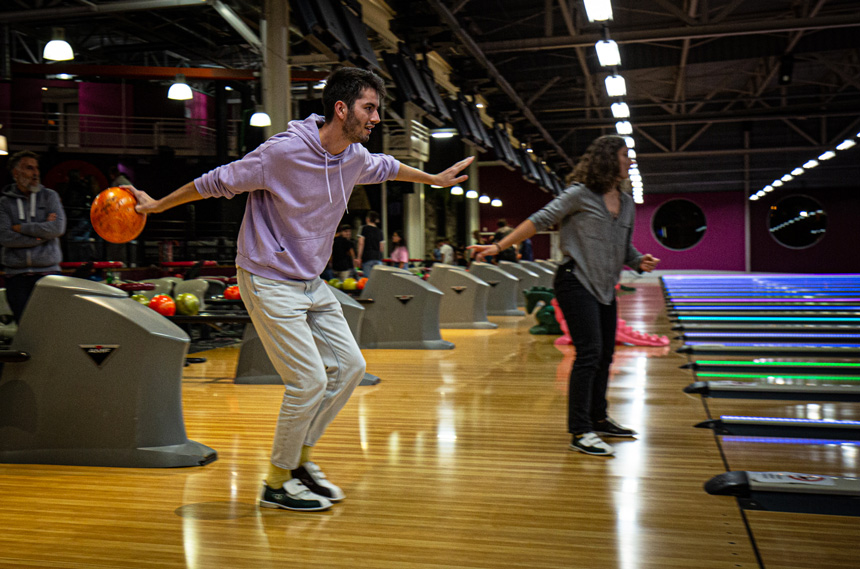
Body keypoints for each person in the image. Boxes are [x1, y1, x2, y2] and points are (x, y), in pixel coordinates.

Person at [129, 67, 474, 511]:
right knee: (308, 380)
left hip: (311, 281)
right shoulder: (283, 153)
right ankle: (276, 481)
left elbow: (389, 168)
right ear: (341, 108)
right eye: (370, 108)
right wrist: (157, 206)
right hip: (267, 278)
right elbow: (214, 181)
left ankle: (299, 460)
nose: (375, 118)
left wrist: (435, 179)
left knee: (350, 367)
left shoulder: (353, 157)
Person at [470, 135, 659, 457]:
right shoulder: (580, 195)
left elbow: (622, 245)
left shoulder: (627, 203)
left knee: (605, 355)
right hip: (575, 281)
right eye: (626, 155)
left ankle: (599, 418)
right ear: (607, 159)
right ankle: (580, 430)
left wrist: (637, 260)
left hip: (604, 288)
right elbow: (540, 219)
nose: (631, 161)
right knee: (589, 354)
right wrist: (498, 246)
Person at [0, 151, 67, 323]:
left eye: (36, 168)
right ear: (16, 173)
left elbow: (57, 227)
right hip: (16, 277)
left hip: (49, 274)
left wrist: (21, 228)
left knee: (49, 327)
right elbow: (5, 236)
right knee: (25, 328)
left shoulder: (49, 196)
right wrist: (41, 236)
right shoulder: (5, 203)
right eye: (29, 168)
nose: (36, 173)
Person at [356, 210, 383, 276]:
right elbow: (381, 248)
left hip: (367, 257)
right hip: (378, 258)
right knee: (376, 280)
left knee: (368, 280)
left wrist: (359, 258)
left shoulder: (363, 228)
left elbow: (361, 243)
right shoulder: (380, 231)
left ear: (367, 219)